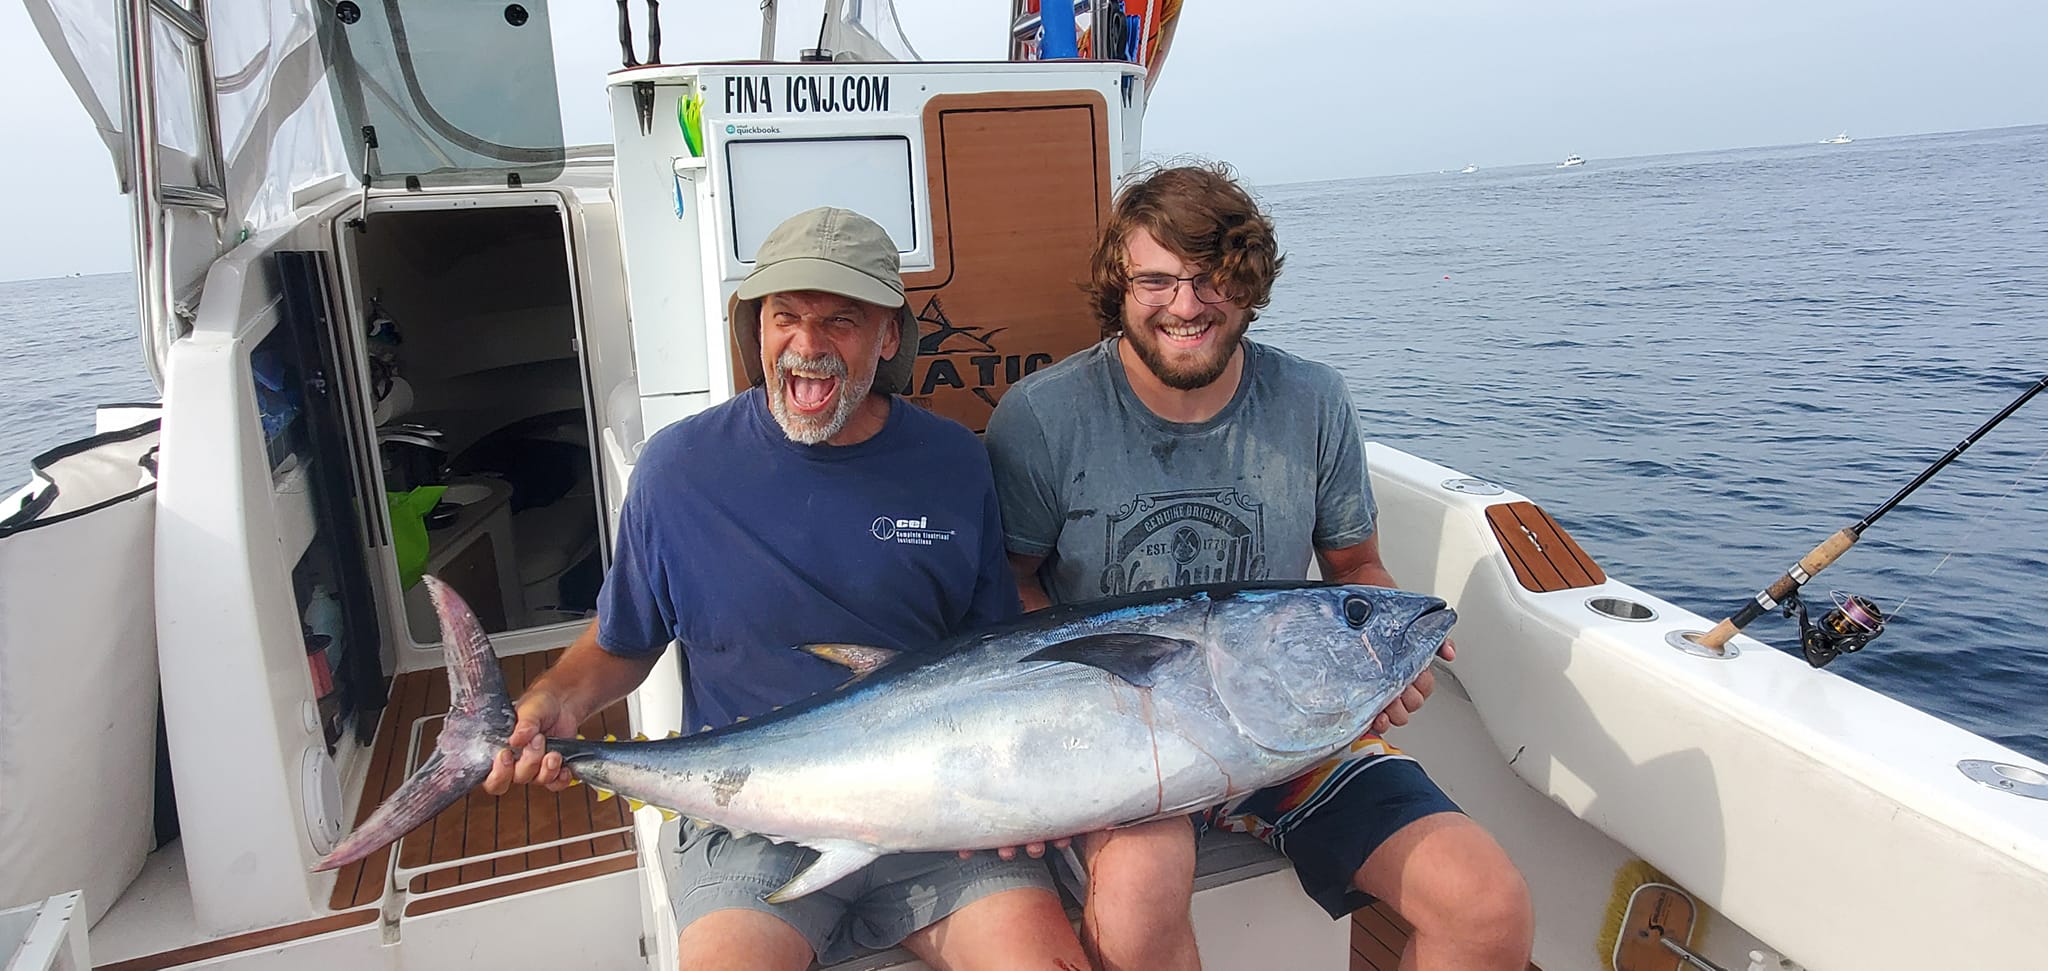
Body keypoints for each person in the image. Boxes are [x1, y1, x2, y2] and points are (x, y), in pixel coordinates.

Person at [481, 207, 1090, 971]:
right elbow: (621, 642)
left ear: (889, 337)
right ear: (756, 328)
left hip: (941, 812)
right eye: (786, 318)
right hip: (747, 815)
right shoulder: (678, 472)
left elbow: (992, 660)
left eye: (842, 321)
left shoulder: (952, 462)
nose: (808, 347)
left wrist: (1030, 786)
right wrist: (552, 706)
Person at [983, 164, 1534, 970]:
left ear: (1248, 283)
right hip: (1127, 747)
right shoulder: (1043, 416)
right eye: (1158, 279)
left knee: (1487, 905)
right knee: (1139, 897)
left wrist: (1382, 660)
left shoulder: (1311, 400)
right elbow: (1010, 585)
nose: (1185, 304)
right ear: (1120, 286)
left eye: (1212, 279)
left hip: (1296, 733)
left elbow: (1359, 565)